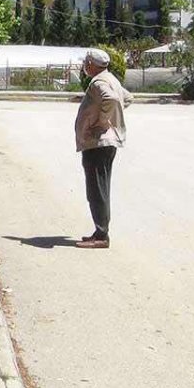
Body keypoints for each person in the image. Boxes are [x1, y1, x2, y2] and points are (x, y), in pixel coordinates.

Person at [74, 48, 132, 250]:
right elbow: (128, 98)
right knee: (101, 187)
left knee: (97, 189)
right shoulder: (110, 79)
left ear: (91, 64)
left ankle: (101, 235)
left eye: (85, 63)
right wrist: (112, 119)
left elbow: (113, 100)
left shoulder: (99, 82)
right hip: (105, 142)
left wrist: (102, 121)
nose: (84, 66)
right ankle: (100, 231)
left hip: (99, 143)